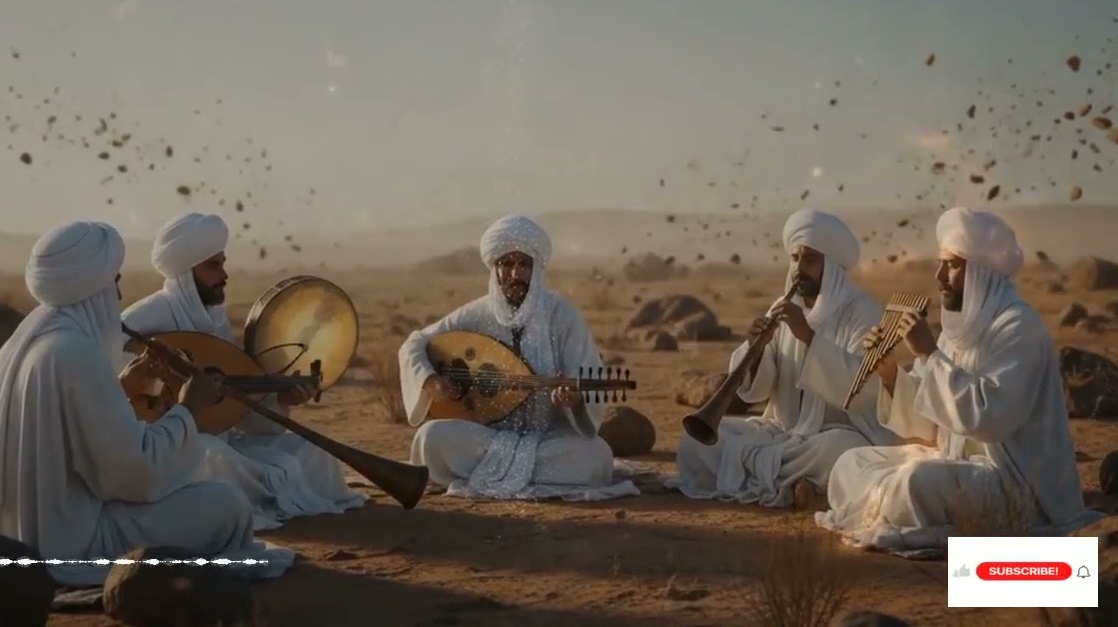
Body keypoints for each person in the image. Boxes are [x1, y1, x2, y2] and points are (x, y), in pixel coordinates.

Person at [0, 220, 294, 586]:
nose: (118, 297)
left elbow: (74, 434)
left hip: (25, 533)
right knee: (227, 507)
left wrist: (123, 387)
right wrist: (188, 410)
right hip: (73, 539)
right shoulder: (75, 352)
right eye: (114, 283)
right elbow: (133, 474)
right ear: (95, 287)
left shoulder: (26, 343)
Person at [815, 207, 1102, 555]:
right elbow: (929, 423)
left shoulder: (1017, 327)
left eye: (951, 265)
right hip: (955, 460)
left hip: (1014, 481)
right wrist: (890, 372)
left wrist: (928, 354)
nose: (938, 276)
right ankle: (891, 509)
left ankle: (896, 513)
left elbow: (987, 419)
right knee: (850, 464)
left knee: (914, 484)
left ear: (980, 271)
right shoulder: (958, 329)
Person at [121, 211, 366, 530]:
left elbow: (239, 408)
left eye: (222, 263)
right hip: (166, 444)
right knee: (213, 458)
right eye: (213, 266)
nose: (224, 274)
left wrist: (281, 399)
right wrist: (169, 400)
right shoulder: (143, 319)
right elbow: (114, 393)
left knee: (311, 453)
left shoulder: (215, 320)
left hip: (223, 437)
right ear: (184, 272)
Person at [398, 214, 639, 501]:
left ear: (537, 268)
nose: (515, 275)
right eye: (506, 264)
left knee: (595, 455)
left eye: (524, 264)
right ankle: (519, 472)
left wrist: (574, 402)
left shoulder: (561, 314)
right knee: (430, 437)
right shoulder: (476, 313)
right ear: (494, 268)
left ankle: (480, 473)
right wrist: (430, 379)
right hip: (484, 437)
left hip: (548, 438)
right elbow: (414, 343)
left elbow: (585, 380)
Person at [669, 209, 898, 509]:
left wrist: (806, 335)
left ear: (830, 265)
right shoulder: (784, 305)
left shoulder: (862, 311)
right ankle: (796, 484)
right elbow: (758, 391)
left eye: (810, 259)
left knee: (844, 453)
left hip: (837, 432)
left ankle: (773, 477)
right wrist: (756, 349)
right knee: (694, 446)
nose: (799, 268)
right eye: (795, 258)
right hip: (781, 431)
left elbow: (863, 389)